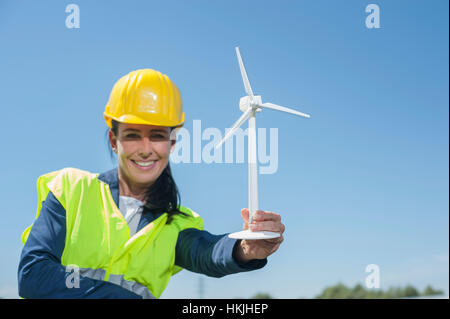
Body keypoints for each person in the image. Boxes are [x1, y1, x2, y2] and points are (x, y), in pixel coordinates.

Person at [18, 69, 285, 299]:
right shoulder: (71, 188)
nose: (145, 150)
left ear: (171, 144)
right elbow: (33, 273)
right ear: (114, 141)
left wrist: (244, 248)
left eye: (157, 136)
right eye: (133, 135)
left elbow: (207, 252)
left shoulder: (177, 224)